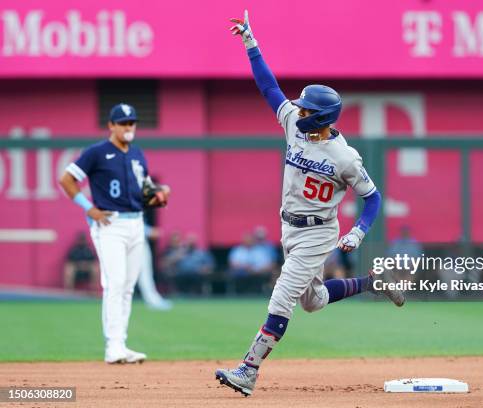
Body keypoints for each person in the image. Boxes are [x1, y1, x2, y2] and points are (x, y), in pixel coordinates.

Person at [215, 11, 405, 397]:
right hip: (289, 226)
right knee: (313, 301)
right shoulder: (292, 125)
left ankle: (248, 371)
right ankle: (373, 283)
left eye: (305, 110)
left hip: (319, 232)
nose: (297, 111)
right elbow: (269, 88)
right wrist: (251, 43)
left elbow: (372, 198)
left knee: (283, 295)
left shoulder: (344, 157)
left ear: (321, 117)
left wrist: (358, 231)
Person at [59, 103, 170, 364]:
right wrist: (89, 209)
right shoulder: (97, 152)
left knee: (128, 286)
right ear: (111, 125)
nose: (128, 126)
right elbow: (66, 179)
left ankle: (121, 343)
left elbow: (144, 193)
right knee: (115, 283)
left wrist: (158, 196)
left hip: (135, 223)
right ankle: (113, 346)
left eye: (131, 122)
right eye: (122, 122)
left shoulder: (137, 154)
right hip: (110, 224)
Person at [137, 223, 173, 310]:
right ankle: (152, 300)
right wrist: (149, 231)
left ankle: (153, 300)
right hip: (135, 241)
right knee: (144, 275)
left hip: (138, 241)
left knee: (145, 275)